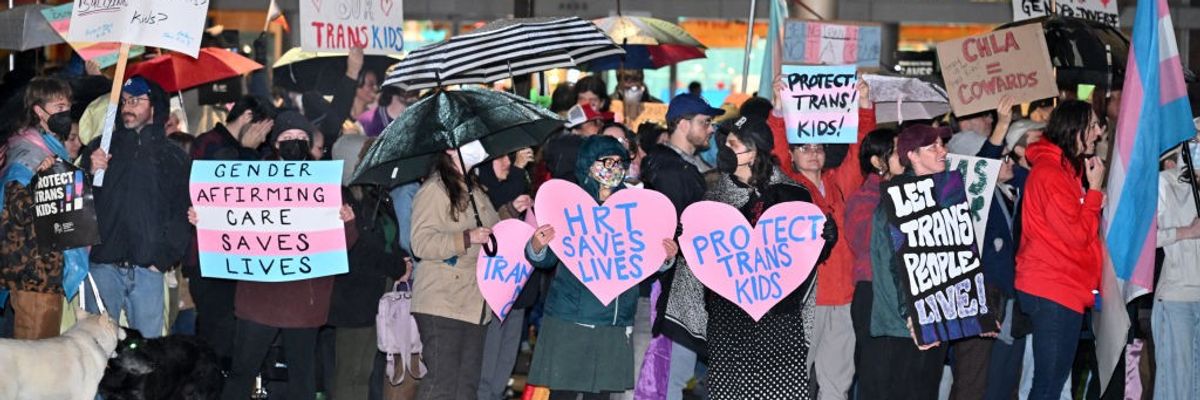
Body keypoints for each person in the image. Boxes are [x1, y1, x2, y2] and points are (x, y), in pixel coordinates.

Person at [211, 111, 357, 400]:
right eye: (287, 138)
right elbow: (227, 220)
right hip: (258, 299)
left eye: (301, 138)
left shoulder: (325, 187)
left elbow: (343, 245)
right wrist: (205, 219)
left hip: (304, 303)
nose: (294, 143)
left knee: (303, 379)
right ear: (275, 144)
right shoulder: (252, 182)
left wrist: (348, 222)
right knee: (242, 373)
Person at [526, 135, 679, 399]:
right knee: (564, 393)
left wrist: (666, 258)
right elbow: (546, 259)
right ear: (588, 164)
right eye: (606, 161)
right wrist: (537, 246)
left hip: (614, 322)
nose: (614, 168)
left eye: (620, 162)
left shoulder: (635, 208)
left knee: (602, 396)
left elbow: (647, 262)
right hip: (571, 321)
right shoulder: (568, 205)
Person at [701, 116, 835, 399]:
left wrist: (824, 238)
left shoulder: (790, 194)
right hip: (729, 315)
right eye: (725, 144)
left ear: (754, 150)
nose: (725, 150)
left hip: (777, 315)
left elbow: (805, 256)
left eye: (733, 144)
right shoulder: (714, 195)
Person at [81, 76, 191, 339]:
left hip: (147, 271)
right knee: (97, 349)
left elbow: (183, 212)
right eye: (124, 101)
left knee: (147, 352)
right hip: (103, 265)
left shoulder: (174, 157)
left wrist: (162, 259)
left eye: (136, 101)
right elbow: (77, 203)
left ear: (155, 107)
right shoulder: (101, 148)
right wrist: (87, 171)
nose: (127, 107)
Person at [1014, 100, 1105, 400]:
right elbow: (1077, 235)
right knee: (1048, 384)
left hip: (1063, 287)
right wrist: (1093, 192)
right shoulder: (1051, 175)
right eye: (1091, 126)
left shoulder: (1063, 172)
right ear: (1074, 130)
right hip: (1051, 288)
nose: (1098, 134)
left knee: (1051, 383)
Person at [639, 93, 723, 400]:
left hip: (685, 284)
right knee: (669, 371)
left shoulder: (689, 167)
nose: (711, 129)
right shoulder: (670, 169)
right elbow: (678, 230)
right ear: (683, 124)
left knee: (677, 370)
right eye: (705, 122)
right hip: (672, 285)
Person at [409, 145, 503, 399]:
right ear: (450, 150)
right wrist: (466, 238)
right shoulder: (435, 189)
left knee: (466, 386)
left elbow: (493, 232)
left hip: (474, 302)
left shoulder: (475, 189)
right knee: (442, 383)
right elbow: (421, 242)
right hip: (443, 300)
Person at [867, 124, 953, 400]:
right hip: (907, 324)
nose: (943, 151)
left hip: (933, 315)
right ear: (912, 156)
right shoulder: (903, 196)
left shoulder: (937, 192)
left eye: (942, 144)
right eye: (933, 147)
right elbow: (900, 262)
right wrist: (912, 314)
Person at [329, 134, 406, 400]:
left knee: (364, 370)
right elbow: (359, 249)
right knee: (350, 372)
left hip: (377, 290)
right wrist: (395, 266)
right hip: (353, 295)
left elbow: (388, 237)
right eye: (367, 156)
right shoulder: (340, 199)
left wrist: (398, 261)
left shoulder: (374, 194)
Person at [0, 77, 78, 339]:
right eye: (58, 106)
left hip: (46, 272)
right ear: (38, 111)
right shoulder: (27, 154)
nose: (65, 112)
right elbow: (18, 209)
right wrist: (40, 179)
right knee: (35, 358)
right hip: (33, 274)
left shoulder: (51, 150)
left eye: (68, 105)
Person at [475, 150, 539, 400]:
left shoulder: (519, 181)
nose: (507, 163)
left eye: (510, 159)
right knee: (490, 352)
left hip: (518, 283)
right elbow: (492, 220)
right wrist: (516, 173)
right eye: (501, 158)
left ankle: (497, 393)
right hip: (494, 285)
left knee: (507, 352)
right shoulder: (481, 189)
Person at [845, 128, 904, 399]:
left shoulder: (908, 191)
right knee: (875, 378)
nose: (904, 155)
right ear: (878, 161)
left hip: (900, 294)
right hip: (873, 294)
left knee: (898, 380)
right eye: (896, 150)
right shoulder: (863, 199)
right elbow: (868, 243)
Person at [1153, 146, 1200, 400]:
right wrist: (1186, 232)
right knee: (1176, 388)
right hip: (1176, 297)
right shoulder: (1164, 183)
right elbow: (1145, 238)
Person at [542, 104, 611, 183]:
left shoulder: (557, 140)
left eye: (602, 122)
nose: (601, 126)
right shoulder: (572, 147)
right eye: (595, 122)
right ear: (577, 127)